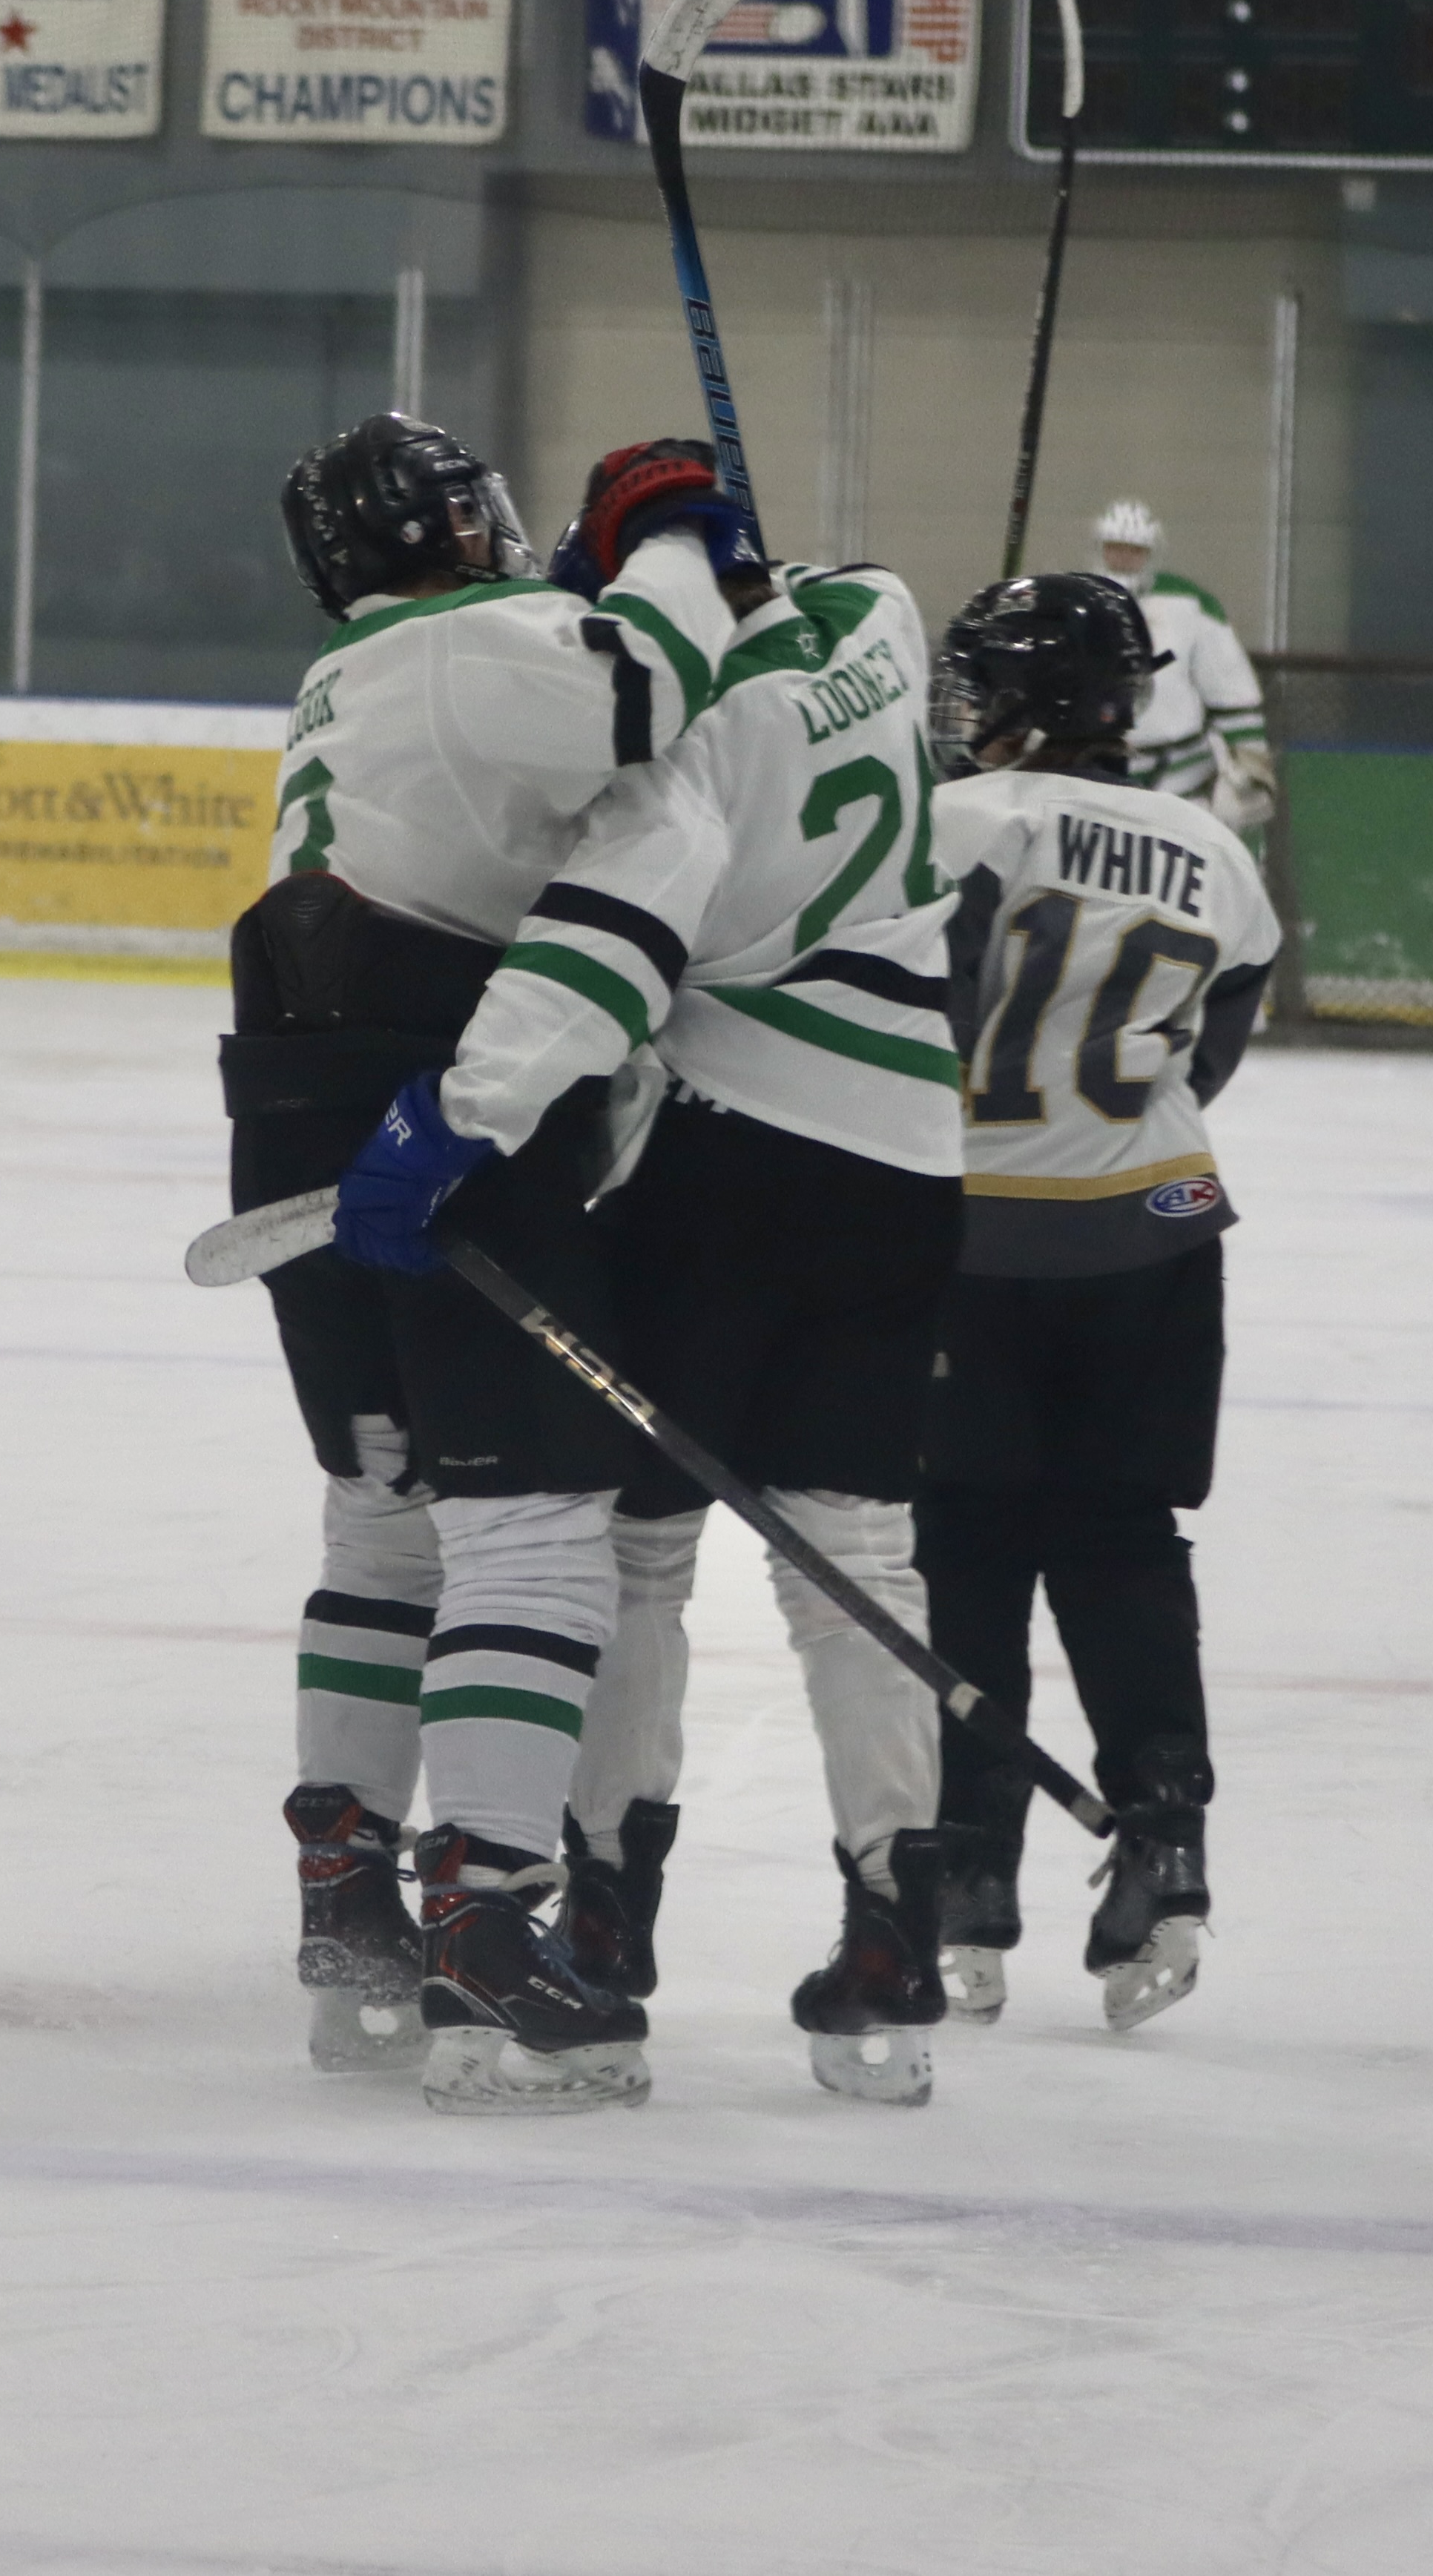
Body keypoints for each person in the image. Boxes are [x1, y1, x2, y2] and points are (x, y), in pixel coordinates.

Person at [362, 509, 972, 2104]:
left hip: (730, 1165)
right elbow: (828, 582)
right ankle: (896, 1929)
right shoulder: (880, 615)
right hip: (913, 1162)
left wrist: (461, 1115)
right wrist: (719, 536)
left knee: (640, 1552)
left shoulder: (683, 753)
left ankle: (608, 1915)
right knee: (861, 1554)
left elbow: (608, 951)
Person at [234, 413, 746, 2115]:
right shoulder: (478, 643)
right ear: (450, 529)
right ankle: (487, 1922)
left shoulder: (349, 678)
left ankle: (347, 1892)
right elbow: (650, 688)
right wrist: (669, 535)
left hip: (291, 1119)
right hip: (443, 1116)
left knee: (381, 1513)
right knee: (532, 1530)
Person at [915, 574, 1282, 2032]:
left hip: (974, 1239)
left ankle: (967, 1873)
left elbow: (910, 1025)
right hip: (1160, 1228)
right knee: (1125, 1540)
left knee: (967, 1553)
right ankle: (1166, 1838)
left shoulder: (955, 825)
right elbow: (1211, 1052)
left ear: (1021, 700)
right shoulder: (1217, 851)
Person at [1089, 501, 1276, 834]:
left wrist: (1251, 759)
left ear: (1151, 552)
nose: (1124, 557)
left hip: (1184, 778)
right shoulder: (1073, 604)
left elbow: (1230, 688)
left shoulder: (1190, 603)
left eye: (1135, 550)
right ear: (1100, 548)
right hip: (1096, 778)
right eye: (1115, 547)